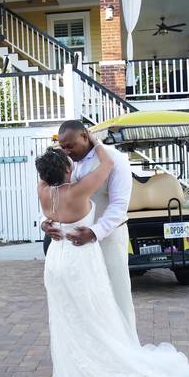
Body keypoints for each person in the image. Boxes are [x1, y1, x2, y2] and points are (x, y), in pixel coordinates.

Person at [37, 143, 189, 377]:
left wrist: (46, 219)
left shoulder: (43, 191)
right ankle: (108, 361)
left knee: (69, 314)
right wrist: (95, 142)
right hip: (80, 258)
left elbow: (50, 183)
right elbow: (108, 164)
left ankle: (78, 366)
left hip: (55, 261)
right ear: (67, 168)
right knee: (97, 311)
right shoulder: (78, 190)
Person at [45, 120, 138, 342]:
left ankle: (128, 347)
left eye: (70, 146)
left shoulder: (115, 159)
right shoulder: (65, 161)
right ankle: (97, 348)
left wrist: (94, 232)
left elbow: (119, 206)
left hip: (109, 237)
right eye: (63, 146)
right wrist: (45, 221)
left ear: (85, 136)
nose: (66, 151)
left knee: (117, 293)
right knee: (84, 297)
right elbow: (53, 193)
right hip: (75, 242)